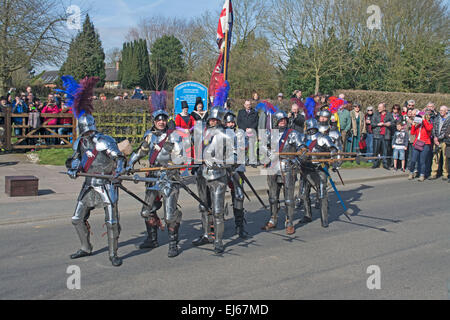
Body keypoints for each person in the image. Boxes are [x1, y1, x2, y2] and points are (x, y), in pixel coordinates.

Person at [65, 76, 126, 267]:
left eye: (88, 130)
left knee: (111, 221)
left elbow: (119, 158)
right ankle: (85, 247)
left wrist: (118, 174)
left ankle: (113, 253)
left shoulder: (104, 140)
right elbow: (75, 161)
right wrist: (73, 170)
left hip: (106, 184)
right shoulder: (80, 143)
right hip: (89, 184)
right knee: (77, 218)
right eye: (84, 131)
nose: (87, 134)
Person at [126, 96, 184, 258]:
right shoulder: (149, 136)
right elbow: (141, 151)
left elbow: (180, 157)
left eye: (163, 120)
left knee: (170, 215)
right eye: (158, 120)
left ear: (166, 121)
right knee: (146, 211)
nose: (161, 122)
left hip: (169, 177)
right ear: (154, 121)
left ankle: (173, 243)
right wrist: (130, 163)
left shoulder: (174, 137)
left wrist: (172, 166)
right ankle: (152, 239)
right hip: (152, 177)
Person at [192, 107, 236, 253]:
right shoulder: (201, 131)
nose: (213, 121)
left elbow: (236, 156)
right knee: (204, 207)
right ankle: (206, 234)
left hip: (218, 175)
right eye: (211, 119)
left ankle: (218, 240)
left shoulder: (227, 134)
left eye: (216, 120)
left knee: (217, 211)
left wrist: (221, 163)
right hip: (201, 175)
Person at [261, 110, 304, 235]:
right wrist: (270, 155)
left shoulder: (293, 134)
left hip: (288, 167)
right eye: (280, 120)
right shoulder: (270, 133)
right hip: (273, 167)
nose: (282, 122)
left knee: (289, 198)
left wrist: (301, 153)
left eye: (284, 119)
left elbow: (301, 147)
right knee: (273, 197)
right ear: (276, 121)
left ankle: (289, 222)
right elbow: (263, 146)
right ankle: (273, 219)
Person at [299, 119, 341, 228]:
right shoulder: (303, 138)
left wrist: (330, 155)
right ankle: (307, 215)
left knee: (322, 194)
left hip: (319, 168)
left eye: (312, 128)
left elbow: (333, 149)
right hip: (306, 168)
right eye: (309, 128)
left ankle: (324, 217)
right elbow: (297, 151)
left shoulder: (323, 137)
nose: (310, 130)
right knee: (303, 194)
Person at [224, 112, 248, 238]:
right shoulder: (220, 133)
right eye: (228, 122)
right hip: (223, 168)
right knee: (217, 194)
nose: (230, 124)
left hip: (237, 167)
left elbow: (245, 147)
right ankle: (216, 225)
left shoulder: (240, 133)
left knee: (238, 195)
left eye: (232, 122)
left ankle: (239, 225)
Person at [408, 112, 433, 181]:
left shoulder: (429, 124)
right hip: (417, 143)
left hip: (425, 144)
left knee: (422, 161)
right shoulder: (418, 125)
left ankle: (422, 175)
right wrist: (413, 125)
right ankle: (411, 172)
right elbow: (412, 133)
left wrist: (424, 120)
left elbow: (428, 129)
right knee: (413, 160)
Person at [371, 103, 393, 169]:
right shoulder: (375, 114)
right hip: (377, 135)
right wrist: (378, 124)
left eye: (380, 107)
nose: (378, 109)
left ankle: (385, 164)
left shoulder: (389, 114)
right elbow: (372, 124)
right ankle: (375, 163)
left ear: (384, 108)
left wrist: (388, 124)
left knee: (385, 151)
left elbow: (393, 122)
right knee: (376, 150)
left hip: (386, 135)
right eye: (378, 107)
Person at [430, 105, 449, 180]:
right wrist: (435, 138)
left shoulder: (448, 119)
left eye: (443, 110)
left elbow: (446, 131)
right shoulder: (437, 119)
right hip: (436, 140)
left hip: (444, 141)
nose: (441, 111)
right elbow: (434, 128)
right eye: (440, 110)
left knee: (445, 158)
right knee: (435, 157)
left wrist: (438, 138)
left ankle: (445, 173)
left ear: (446, 111)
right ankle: (433, 173)